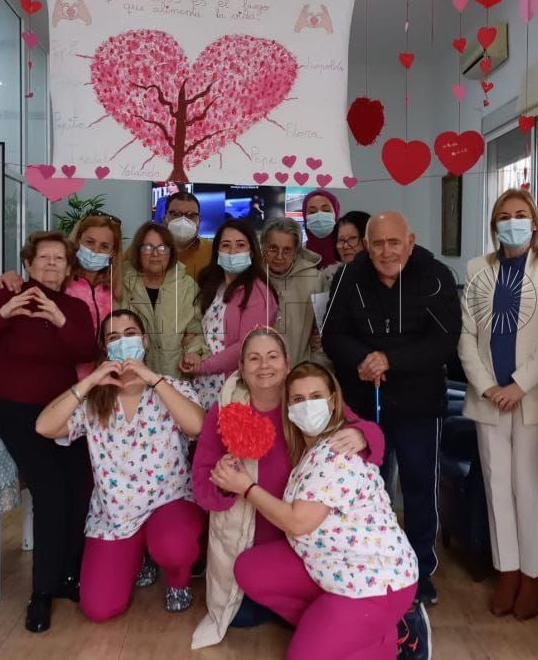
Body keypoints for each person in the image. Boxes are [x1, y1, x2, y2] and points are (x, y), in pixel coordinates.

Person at [213, 362, 431, 660]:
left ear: (332, 401)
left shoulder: (337, 450)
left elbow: (298, 522)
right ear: (287, 407)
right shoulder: (302, 443)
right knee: (251, 569)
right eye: (298, 400)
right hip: (329, 563)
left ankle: (394, 633)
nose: (307, 406)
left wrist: (246, 488)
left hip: (373, 582)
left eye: (316, 397)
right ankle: (345, 627)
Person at [190, 328, 385, 649]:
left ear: (287, 362)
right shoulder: (225, 409)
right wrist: (224, 482)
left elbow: (366, 431)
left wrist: (363, 436)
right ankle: (304, 608)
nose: (263, 366)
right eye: (253, 358)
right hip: (246, 544)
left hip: (304, 539)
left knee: (301, 610)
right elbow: (201, 484)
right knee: (240, 617)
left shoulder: (304, 402)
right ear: (240, 366)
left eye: (272, 357)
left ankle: (327, 615)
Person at [0, 231, 96, 633]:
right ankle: (42, 592)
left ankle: (69, 574)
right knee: (49, 488)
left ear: (69, 268)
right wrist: (2, 314)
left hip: (57, 409)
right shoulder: (4, 295)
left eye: (59, 259)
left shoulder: (73, 306)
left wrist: (59, 319)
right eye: (44, 258)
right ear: (28, 264)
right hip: (8, 402)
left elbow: (85, 350)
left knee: (78, 484)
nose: (52, 263)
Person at [321, 211, 461, 606]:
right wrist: (365, 358)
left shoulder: (436, 276)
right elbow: (333, 334)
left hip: (419, 404)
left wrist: (389, 359)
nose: (385, 251)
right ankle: (369, 569)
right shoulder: (350, 276)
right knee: (367, 490)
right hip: (364, 404)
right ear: (366, 245)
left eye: (393, 242)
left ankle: (419, 573)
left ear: (410, 241)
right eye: (377, 243)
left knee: (419, 489)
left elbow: (444, 341)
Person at [35, 309, 206, 620]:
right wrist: (90, 382)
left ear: (143, 340)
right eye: (114, 338)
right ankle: (140, 556)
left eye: (130, 334)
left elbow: (196, 426)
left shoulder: (168, 387)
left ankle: (178, 581)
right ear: (105, 349)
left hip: (168, 503)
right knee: (99, 608)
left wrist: (152, 378)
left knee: (173, 546)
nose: (123, 342)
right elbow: (45, 426)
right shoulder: (95, 400)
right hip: (115, 515)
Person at [458, 189, 538, 620]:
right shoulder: (477, 269)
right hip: (488, 401)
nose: (512, 221)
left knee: (531, 489)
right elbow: (466, 336)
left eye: (521, 215)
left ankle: (533, 576)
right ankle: (506, 571)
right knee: (497, 489)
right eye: (504, 216)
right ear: (494, 225)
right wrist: (489, 387)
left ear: (535, 223)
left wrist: (519, 385)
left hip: (532, 398)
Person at [0, 213, 121, 377]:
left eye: (104, 246)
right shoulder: (59, 280)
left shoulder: (116, 289)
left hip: (104, 378)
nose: (95, 251)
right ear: (77, 242)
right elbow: (26, 285)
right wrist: (7, 277)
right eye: (89, 242)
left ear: (113, 252)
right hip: (59, 379)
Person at [182, 219, 279, 409]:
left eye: (240, 245)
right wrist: (193, 352)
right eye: (226, 245)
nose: (233, 252)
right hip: (203, 384)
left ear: (251, 251)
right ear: (217, 251)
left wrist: (204, 366)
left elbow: (247, 345)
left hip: (235, 386)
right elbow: (201, 331)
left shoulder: (259, 293)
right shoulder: (213, 286)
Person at [120, 221, 206, 378]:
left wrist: (193, 353)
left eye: (162, 248)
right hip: (132, 378)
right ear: (137, 252)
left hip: (177, 378)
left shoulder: (187, 286)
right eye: (147, 247)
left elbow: (198, 333)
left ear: (171, 252)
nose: (155, 254)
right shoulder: (122, 283)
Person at [261, 217, 329, 367]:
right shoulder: (252, 278)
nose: (279, 256)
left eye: (287, 250)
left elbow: (323, 336)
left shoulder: (315, 280)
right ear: (263, 247)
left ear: (297, 252)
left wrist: (314, 369)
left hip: (301, 372)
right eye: (273, 248)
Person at [163, 190, 212, 282]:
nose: (183, 220)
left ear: (199, 221)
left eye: (191, 215)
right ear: (164, 219)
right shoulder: (148, 250)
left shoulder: (213, 251)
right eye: (175, 214)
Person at [321, 210, 369, 287]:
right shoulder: (331, 278)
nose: (345, 246)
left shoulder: (384, 275)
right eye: (341, 240)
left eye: (353, 238)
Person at [302, 188, 341, 269]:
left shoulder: (347, 250)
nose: (319, 216)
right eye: (312, 212)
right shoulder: (299, 254)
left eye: (326, 210)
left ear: (336, 214)